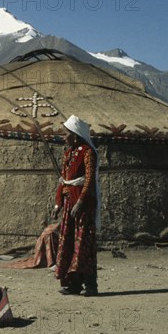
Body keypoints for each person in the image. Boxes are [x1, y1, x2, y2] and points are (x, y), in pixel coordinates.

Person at [51, 115, 101, 296]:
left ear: (75, 134)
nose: (63, 137)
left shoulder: (88, 152)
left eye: (66, 133)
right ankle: (73, 284)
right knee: (69, 243)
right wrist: (58, 204)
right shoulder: (68, 153)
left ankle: (91, 285)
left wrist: (80, 202)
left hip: (83, 206)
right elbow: (63, 181)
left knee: (84, 245)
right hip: (68, 205)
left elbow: (88, 181)